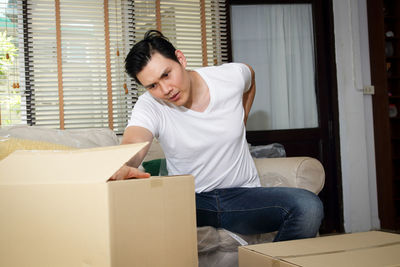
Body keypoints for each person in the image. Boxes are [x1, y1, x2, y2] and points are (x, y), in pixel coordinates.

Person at [110, 30, 323, 242]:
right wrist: (123, 164)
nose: (166, 89)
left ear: (181, 59)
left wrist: (241, 119)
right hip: (192, 201)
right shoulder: (150, 105)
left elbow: (250, 76)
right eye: (153, 85)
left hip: (242, 197)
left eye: (166, 74)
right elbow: (134, 141)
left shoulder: (230, 77)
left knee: (308, 206)